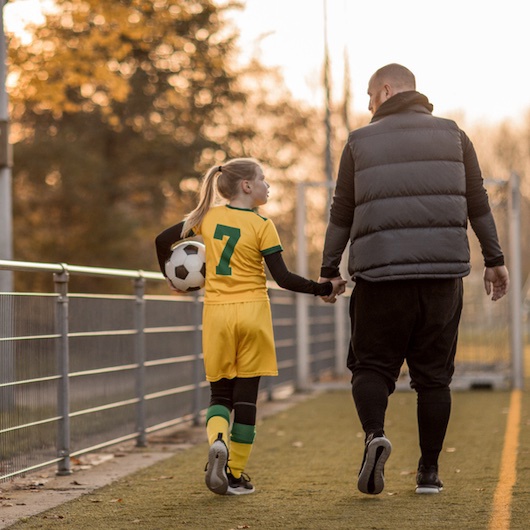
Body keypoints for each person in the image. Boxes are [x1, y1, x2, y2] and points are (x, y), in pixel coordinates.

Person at [318, 64, 509, 496]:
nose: (368, 107)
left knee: (371, 367)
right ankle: (428, 473)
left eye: (369, 98)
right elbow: (477, 202)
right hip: (442, 277)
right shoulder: (455, 135)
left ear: (385, 90)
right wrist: (494, 259)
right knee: (434, 378)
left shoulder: (358, 142)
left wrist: (330, 269)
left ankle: (374, 436)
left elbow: (341, 212)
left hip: (380, 276)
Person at [155, 158, 345, 496]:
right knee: (246, 401)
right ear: (247, 186)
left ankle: (217, 441)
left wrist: (173, 280)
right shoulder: (262, 225)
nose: (267, 185)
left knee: (219, 394)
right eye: (263, 179)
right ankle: (236, 474)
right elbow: (283, 279)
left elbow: (161, 241)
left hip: (217, 315)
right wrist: (323, 288)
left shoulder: (206, 217)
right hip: (253, 314)